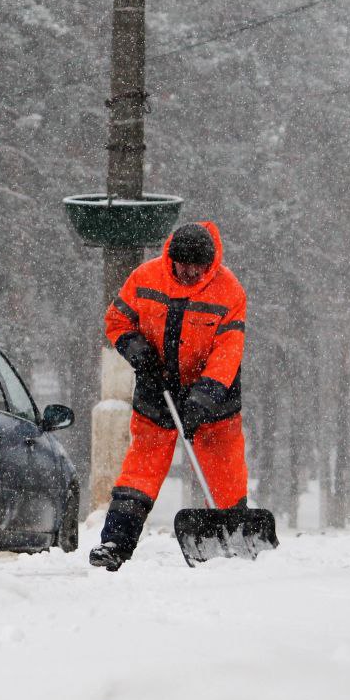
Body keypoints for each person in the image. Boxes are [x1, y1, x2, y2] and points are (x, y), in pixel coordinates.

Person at [90, 221, 248, 571]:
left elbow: (227, 353)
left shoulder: (229, 292)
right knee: (140, 470)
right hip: (156, 387)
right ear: (171, 259)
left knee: (225, 472)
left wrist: (201, 402)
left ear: (210, 265)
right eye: (184, 265)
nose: (190, 273)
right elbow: (117, 321)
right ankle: (115, 541)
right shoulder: (145, 278)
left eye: (198, 268)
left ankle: (235, 537)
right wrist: (135, 349)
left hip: (213, 397)